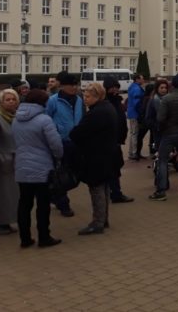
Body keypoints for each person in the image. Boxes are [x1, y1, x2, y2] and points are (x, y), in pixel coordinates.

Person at [12, 89, 63, 248]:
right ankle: (44, 237)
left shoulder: (16, 119)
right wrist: (58, 157)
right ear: (42, 103)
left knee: (24, 204)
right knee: (43, 204)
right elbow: (56, 145)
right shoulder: (44, 120)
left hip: (22, 166)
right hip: (43, 168)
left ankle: (25, 238)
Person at [70, 83, 120, 235]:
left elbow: (77, 133)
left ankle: (98, 222)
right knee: (103, 187)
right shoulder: (108, 108)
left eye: (88, 96)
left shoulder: (97, 113)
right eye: (84, 96)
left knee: (97, 188)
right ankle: (103, 219)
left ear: (97, 96)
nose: (85, 99)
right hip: (107, 154)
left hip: (97, 156)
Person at [46, 71, 83, 217]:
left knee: (74, 175)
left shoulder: (79, 99)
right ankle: (63, 204)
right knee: (61, 174)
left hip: (75, 142)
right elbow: (47, 119)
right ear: (63, 86)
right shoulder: (53, 100)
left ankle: (54, 194)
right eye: (71, 85)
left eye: (76, 84)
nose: (74, 87)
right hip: (60, 142)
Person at [0, 89, 20, 235]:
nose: (11, 102)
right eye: (7, 99)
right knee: (2, 194)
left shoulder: (16, 117)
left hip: (16, 160)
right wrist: (0, 159)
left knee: (12, 194)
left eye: (13, 99)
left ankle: (7, 221)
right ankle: (0, 223)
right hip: (3, 161)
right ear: (1, 102)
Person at [102, 77, 133, 204]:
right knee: (112, 168)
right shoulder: (105, 103)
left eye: (116, 87)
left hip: (117, 140)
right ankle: (115, 193)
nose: (115, 89)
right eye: (112, 87)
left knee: (116, 167)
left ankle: (114, 192)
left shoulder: (117, 101)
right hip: (109, 141)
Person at [127, 73, 145, 160]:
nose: (143, 80)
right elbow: (137, 103)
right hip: (135, 114)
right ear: (137, 79)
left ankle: (132, 152)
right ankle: (133, 153)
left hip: (132, 113)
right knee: (134, 133)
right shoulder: (136, 89)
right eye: (142, 78)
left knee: (133, 133)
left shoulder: (133, 87)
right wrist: (141, 113)